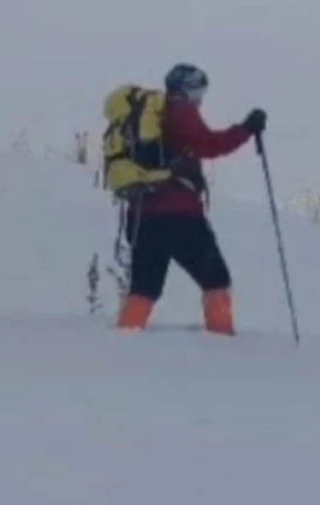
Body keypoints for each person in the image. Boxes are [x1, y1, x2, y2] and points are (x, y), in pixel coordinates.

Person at [115, 63, 266, 335]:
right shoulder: (182, 112)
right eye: (198, 90)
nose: (200, 98)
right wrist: (246, 130)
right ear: (187, 89)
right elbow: (208, 144)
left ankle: (126, 337)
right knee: (216, 279)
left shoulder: (148, 119)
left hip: (142, 213)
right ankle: (222, 342)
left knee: (145, 286)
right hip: (180, 215)